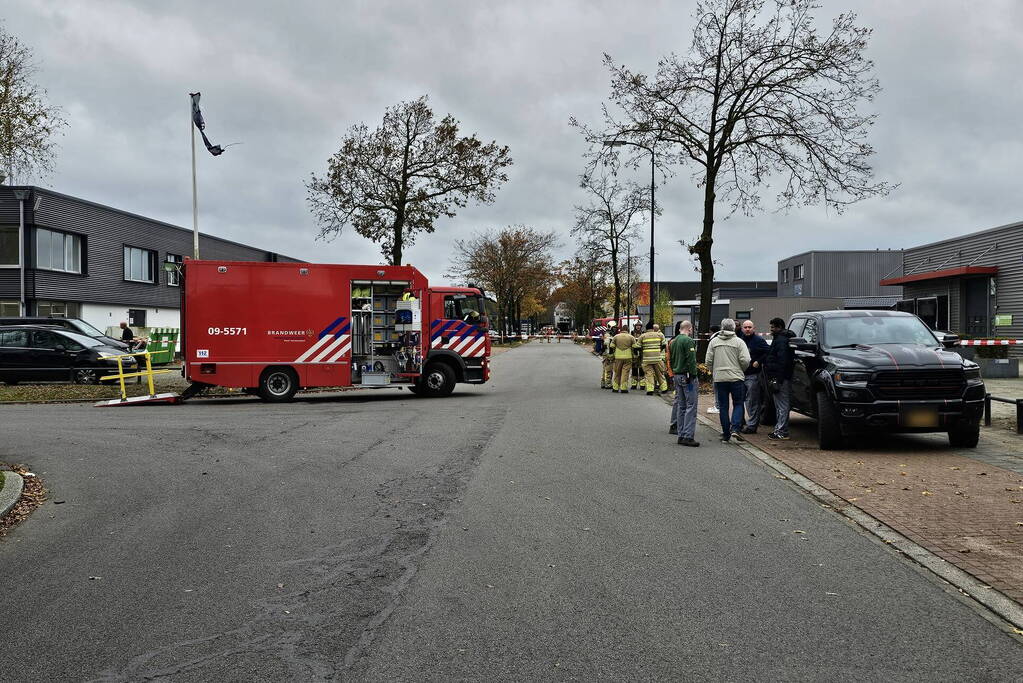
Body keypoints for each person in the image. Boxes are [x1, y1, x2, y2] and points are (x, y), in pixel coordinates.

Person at [706, 318, 751, 443]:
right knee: (738, 403)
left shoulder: (714, 342)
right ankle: (735, 428)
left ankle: (726, 433)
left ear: (722, 327)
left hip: (720, 378)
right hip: (736, 377)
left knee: (723, 406)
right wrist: (741, 369)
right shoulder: (739, 342)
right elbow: (746, 360)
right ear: (734, 328)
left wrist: (715, 370)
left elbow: (708, 361)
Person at [668, 320, 700, 447]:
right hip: (687, 377)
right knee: (691, 406)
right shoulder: (688, 341)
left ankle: (681, 434)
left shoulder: (673, 341)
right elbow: (691, 360)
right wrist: (693, 374)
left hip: (677, 375)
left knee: (681, 406)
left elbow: (671, 359)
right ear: (690, 329)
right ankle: (688, 435)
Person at [763, 317, 796, 441]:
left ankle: (782, 431)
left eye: (773, 327)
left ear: (779, 327)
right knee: (780, 404)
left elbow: (782, 361)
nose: (771, 329)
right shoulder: (780, 339)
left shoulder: (781, 341)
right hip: (779, 376)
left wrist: (778, 378)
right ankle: (779, 429)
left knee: (782, 405)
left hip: (780, 377)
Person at [738, 320, 770, 434]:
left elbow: (768, 352)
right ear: (742, 328)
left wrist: (759, 361)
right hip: (740, 374)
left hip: (753, 375)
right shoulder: (739, 340)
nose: (747, 329)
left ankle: (752, 425)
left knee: (752, 401)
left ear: (754, 328)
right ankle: (740, 422)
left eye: (749, 327)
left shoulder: (759, 340)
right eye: (745, 327)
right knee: (739, 400)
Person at [639, 323, 666, 396]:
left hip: (647, 359)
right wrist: (659, 350)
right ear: (653, 328)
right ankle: (664, 388)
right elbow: (664, 344)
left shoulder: (643, 336)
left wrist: (642, 351)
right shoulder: (659, 335)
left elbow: (637, 346)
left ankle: (650, 389)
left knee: (649, 374)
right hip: (657, 358)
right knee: (659, 373)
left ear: (646, 329)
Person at [611, 324, 636, 393]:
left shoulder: (616, 337)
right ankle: (623, 388)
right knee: (625, 373)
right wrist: (635, 356)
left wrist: (612, 355)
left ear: (621, 330)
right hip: (628, 357)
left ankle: (615, 387)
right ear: (628, 330)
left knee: (617, 372)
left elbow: (612, 346)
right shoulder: (631, 337)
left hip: (618, 357)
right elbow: (635, 347)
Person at [706, 325, 722, 414]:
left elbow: (709, 358)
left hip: (717, 368)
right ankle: (720, 406)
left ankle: (718, 406)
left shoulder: (714, 340)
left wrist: (710, 368)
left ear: (712, 331)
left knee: (717, 388)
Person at [600, 321, 616, 389]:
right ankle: (608, 383)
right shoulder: (608, 334)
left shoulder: (607, 333)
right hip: (608, 353)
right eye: (614, 327)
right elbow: (606, 344)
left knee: (605, 368)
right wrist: (610, 353)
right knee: (608, 369)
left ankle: (603, 382)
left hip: (606, 353)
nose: (615, 329)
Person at [630, 321, 644, 390]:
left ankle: (642, 384)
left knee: (641, 369)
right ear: (634, 326)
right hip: (634, 353)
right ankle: (634, 384)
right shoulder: (632, 333)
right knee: (634, 369)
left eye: (639, 325)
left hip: (641, 353)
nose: (638, 327)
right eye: (637, 325)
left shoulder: (643, 333)